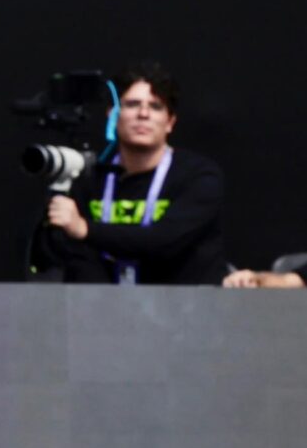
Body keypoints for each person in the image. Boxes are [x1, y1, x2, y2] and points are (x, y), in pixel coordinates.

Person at [39, 66, 227, 285]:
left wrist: (85, 229)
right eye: (132, 104)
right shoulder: (89, 177)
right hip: (104, 302)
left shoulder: (199, 176)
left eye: (155, 106)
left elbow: (164, 241)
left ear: (170, 122)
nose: (143, 114)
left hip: (184, 303)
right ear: (112, 115)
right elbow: (79, 258)